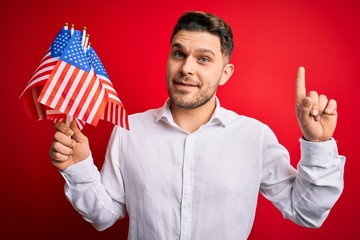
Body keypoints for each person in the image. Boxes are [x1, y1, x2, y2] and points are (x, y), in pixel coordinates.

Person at [49, 11, 345, 240]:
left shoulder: (254, 137)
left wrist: (317, 145)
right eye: (179, 54)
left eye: (204, 59)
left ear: (225, 72)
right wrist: (79, 168)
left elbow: (306, 213)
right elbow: (104, 215)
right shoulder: (129, 130)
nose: (187, 68)